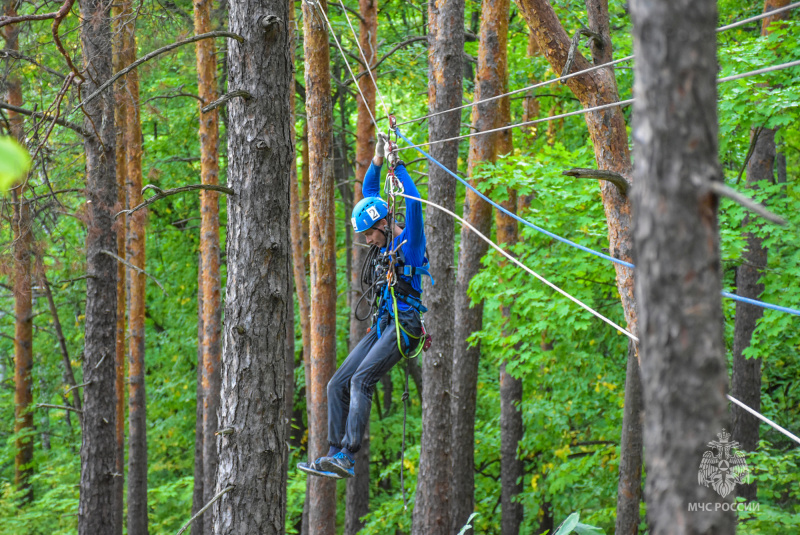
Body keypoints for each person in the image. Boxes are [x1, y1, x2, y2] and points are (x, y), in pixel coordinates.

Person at [298, 134, 432, 479]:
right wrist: (378, 159)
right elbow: (370, 191)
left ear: (384, 224)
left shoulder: (411, 243)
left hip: (405, 324)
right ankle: (333, 454)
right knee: (336, 384)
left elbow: (415, 204)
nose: (367, 240)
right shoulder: (382, 232)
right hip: (385, 322)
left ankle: (348, 456)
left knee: (361, 380)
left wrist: (400, 168)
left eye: (369, 233)